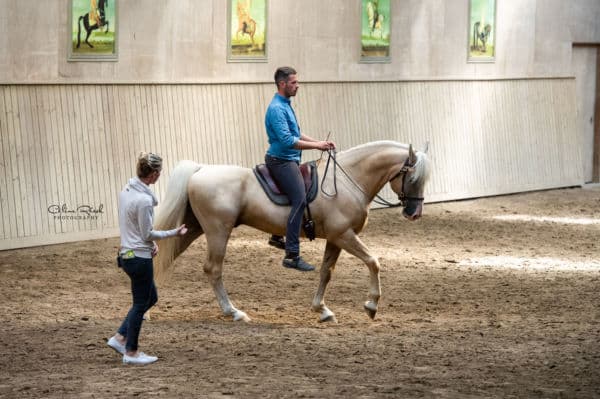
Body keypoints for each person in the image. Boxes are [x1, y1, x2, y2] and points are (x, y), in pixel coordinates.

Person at [107, 152, 188, 365]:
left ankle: (120, 338)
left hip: (127, 254)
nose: (160, 175)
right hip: (139, 259)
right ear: (152, 175)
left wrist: (149, 243)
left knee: (150, 298)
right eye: (159, 172)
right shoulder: (143, 201)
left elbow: (132, 226)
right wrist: (174, 233)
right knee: (140, 303)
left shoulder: (126, 191)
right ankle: (131, 352)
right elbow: (147, 234)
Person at [265, 66, 336, 272]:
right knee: (300, 199)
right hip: (281, 160)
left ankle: (277, 234)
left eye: (297, 82)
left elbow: (296, 132)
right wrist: (317, 146)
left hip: (290, 159)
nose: (298, 86)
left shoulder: (285, 104)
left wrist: (319, 142)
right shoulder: (277, 108)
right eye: (294, 83)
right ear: (282, 84)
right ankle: (292, 254)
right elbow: (288, 140)